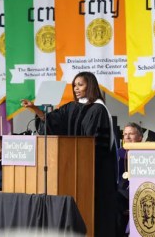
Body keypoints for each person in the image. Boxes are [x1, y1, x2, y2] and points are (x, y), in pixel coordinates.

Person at [21, 71, 117, 237]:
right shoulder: (72, 107)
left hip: (96, 171)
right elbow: (53, 121)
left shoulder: (98, 110)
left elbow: (96, 144)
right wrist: (35, 109)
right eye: (74, 85)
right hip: (76, 170)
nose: (76, 88)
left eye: (80, 84)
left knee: (97, 210)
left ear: (91, 86)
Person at [117, 122, 143, 236]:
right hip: (120, 198)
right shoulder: (117, 154)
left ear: (140, 138)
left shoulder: (147, 155)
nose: (127, 137)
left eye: (131, 134)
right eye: (125, 134)